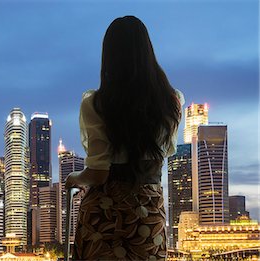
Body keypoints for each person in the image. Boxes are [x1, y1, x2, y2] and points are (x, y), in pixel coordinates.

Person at [65, 16, 184, 261]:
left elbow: (98, 173)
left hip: (104, 215)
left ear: (109, 56)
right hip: (148, 214)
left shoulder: (96, 103)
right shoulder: (172, 102)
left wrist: (73, 178)